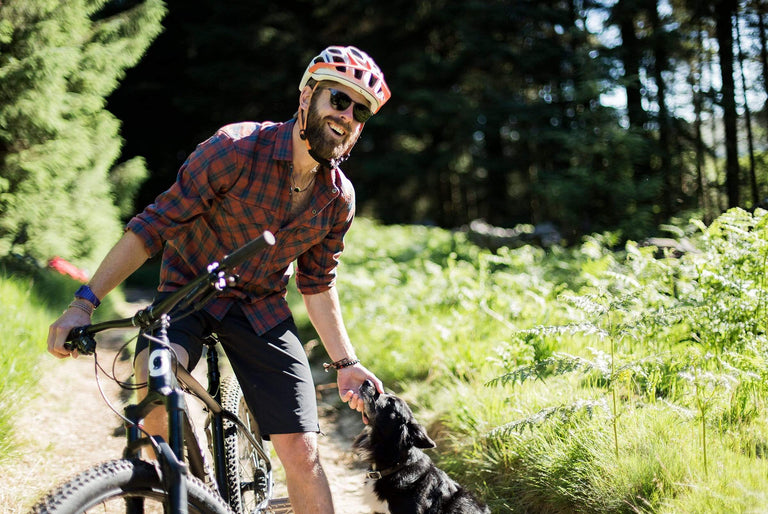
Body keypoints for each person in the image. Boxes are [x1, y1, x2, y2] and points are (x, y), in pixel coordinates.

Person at [47, 45, 391, 513]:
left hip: (261, 307)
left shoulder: (338, 198)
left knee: (301, 450)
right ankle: (187, 490)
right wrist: (82, 303)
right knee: (154, 397)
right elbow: (152, 227)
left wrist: (346, 361)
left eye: (361, 110)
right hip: (187, 294)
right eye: (339, 99)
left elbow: (317, 282)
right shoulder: (234, 149)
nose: (348, 115)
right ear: (307, 97)